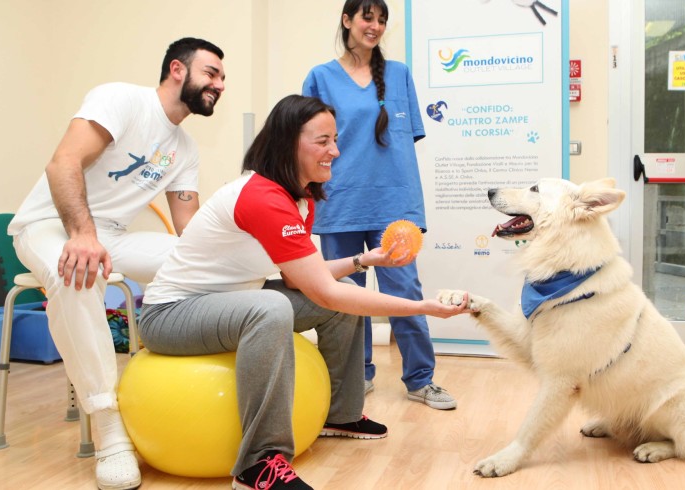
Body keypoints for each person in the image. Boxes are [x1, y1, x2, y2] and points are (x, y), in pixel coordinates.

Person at [139, 95, 468, 490]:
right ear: (288, 142)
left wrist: (367, 260)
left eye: (334, 139)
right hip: (171, 315)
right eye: (323, 141)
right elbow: (320, 292)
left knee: (334, 295)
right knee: (273, 308)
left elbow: (303, 279)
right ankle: (258, 464)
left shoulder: (301, 196)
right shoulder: (262, 197)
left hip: (231, 302)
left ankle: (340, 414)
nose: (336, 150)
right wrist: (421, 307)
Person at [7, 37, 226, 490]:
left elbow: (189, 231)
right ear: (178, 70)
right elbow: (63, 163)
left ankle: (198, 378)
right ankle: (109, 429)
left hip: (113, 236)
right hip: (50, 223)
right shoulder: (122, 99)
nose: (219, 84)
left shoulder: (184, 148)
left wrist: (231, 247)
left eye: (223, 78)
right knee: (79, 274)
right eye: (211, 73)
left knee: (207, 264)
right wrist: (82, 235)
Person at [302, 0, 455, 410]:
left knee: (404, 291)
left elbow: (406, 143)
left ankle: (421, 379)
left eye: (382, 20)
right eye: (367, 17)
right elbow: (306, 143)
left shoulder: (400, 75)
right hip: (341, 201)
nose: (375, 26)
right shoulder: (320, 77)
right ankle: (358, 376)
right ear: (348, 20)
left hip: (394, 202)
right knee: (347, 296)